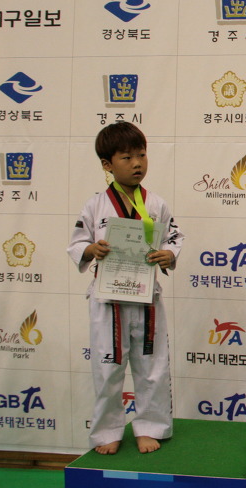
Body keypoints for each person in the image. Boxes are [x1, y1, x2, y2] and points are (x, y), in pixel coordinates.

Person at [67, 122, 183, 454]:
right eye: (127, 157)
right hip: (108, 299)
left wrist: (169, 254)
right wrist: (91, 250)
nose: (137, 164)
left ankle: (151, 426)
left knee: (152, 367)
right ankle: (107, 431)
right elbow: (77, 243)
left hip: (146, 298)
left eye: (142, 155)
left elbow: (174, 238)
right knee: (107, 368)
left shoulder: (156, 204)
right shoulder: (95, 206)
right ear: (107, 164)